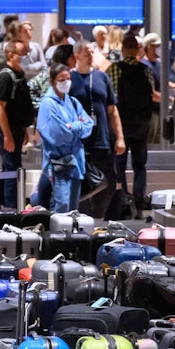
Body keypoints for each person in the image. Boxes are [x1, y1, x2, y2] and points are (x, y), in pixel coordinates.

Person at [69, 40, 124, 217]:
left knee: (108, 182)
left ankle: (98, 216)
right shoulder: (68, 79)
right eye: (88, 53)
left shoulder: (102, 77)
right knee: (81, 183)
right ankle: (82, 218)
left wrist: (120, 137)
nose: (92, 56)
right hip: (78, 142)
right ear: (77, 55)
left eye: (93, 53)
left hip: (102, 140)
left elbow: (112, 110)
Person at [108, 34, 157, 213]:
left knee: (119, 164)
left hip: (121, 123)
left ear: (122, 50)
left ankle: (123, 200)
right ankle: (138, 201)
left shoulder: (114, 69)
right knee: (139, 165)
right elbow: (151, 92)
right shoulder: (146, 70)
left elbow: (110, 97)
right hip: (141, 123)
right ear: (137, 50)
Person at [37, 63, 94, 212]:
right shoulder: (48, 104)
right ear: (53, 81)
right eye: (62, 80)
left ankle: (70, 235)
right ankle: (58, 234)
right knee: (62, 205)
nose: (66, 83)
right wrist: (77, 128)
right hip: (59, 163)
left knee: (73, 208)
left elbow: (89, 125)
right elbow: (59, 135)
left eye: (68, 79)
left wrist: (73, 126)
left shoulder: (73, 102)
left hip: (76, 162)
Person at [0, 38, 36, 208]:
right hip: (8, 130)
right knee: (12, 170)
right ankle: (11, 209)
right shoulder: (5, 77)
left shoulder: (19, 76)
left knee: (9, 167)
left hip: (17, 129)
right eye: (22, 53)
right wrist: (7, 135)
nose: (26, 56)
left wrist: (24, 129)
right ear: (11, 55)